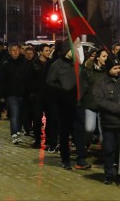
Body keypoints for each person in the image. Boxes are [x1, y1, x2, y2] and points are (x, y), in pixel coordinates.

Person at [45, 40, 90, 170]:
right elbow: (50, 83)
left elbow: (84, 82)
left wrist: (82, 94)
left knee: (80, 131)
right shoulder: (57, 65)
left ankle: (81, 158)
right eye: (72, 49)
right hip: (64, 104)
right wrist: (62, 93)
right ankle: (65, 159)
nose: (74, 51)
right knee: (65, 132)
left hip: (78, 103)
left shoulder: (78, 65)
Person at [0, 43, 30, 144]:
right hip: (11, 93)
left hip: (23, 93)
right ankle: (14, 134)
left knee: (21, 114)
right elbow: (1, 81)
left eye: (17, 50)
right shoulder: (6, 65)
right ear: (9, 52)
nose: (15, 52)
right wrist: (2, 95)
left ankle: (18, 132)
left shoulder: (24, 63)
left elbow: (28, 78)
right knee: (15, 114)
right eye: (13, 50)